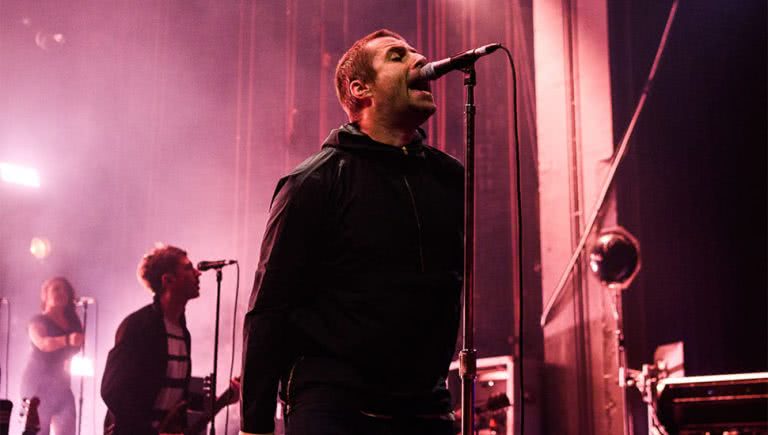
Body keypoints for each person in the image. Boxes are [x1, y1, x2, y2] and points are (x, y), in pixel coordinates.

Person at [240, 29, 464, 435]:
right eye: (397, 56)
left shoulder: (449, 178)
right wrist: (255, 425)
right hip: (335, 403)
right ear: (360, 88)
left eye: (416, 51)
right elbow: (269, 307)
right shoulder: (315, 181)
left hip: (425, 406)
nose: (418, 58)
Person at [101, 244, 238, 435]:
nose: (198, 273)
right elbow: (113, 390)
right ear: (168, 280)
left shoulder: (182, 332)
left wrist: (224, 399)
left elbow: (170, 392)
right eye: (188, 268)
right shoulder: (138, 326)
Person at [20, 277, 84, 435]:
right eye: (56, 289)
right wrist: (67, 340)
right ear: (45, 295)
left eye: (65, 290)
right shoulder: (37, 321)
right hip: (37, 386)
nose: (62, 292)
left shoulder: (73, 322)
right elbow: (42, 343)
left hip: (62, 385)